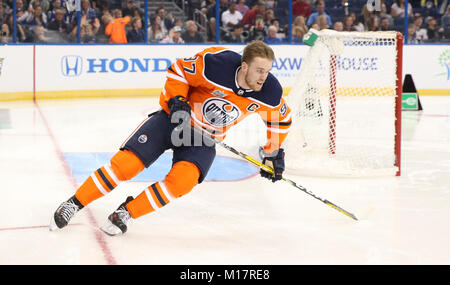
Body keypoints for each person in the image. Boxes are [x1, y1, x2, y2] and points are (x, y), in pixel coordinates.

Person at [49, 40, 292, 236]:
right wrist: (178, 101)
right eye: (259, 70)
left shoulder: (269, 92)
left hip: (203, 139)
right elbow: (178, 72)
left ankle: (126, 213)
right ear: (245, 66)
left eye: (267, 71)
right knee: (125, 166)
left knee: (182, 181)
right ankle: (74, 203)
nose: (264, 77)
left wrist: (273, 154)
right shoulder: (215, 63)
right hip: (172, 121)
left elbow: (280, 120)